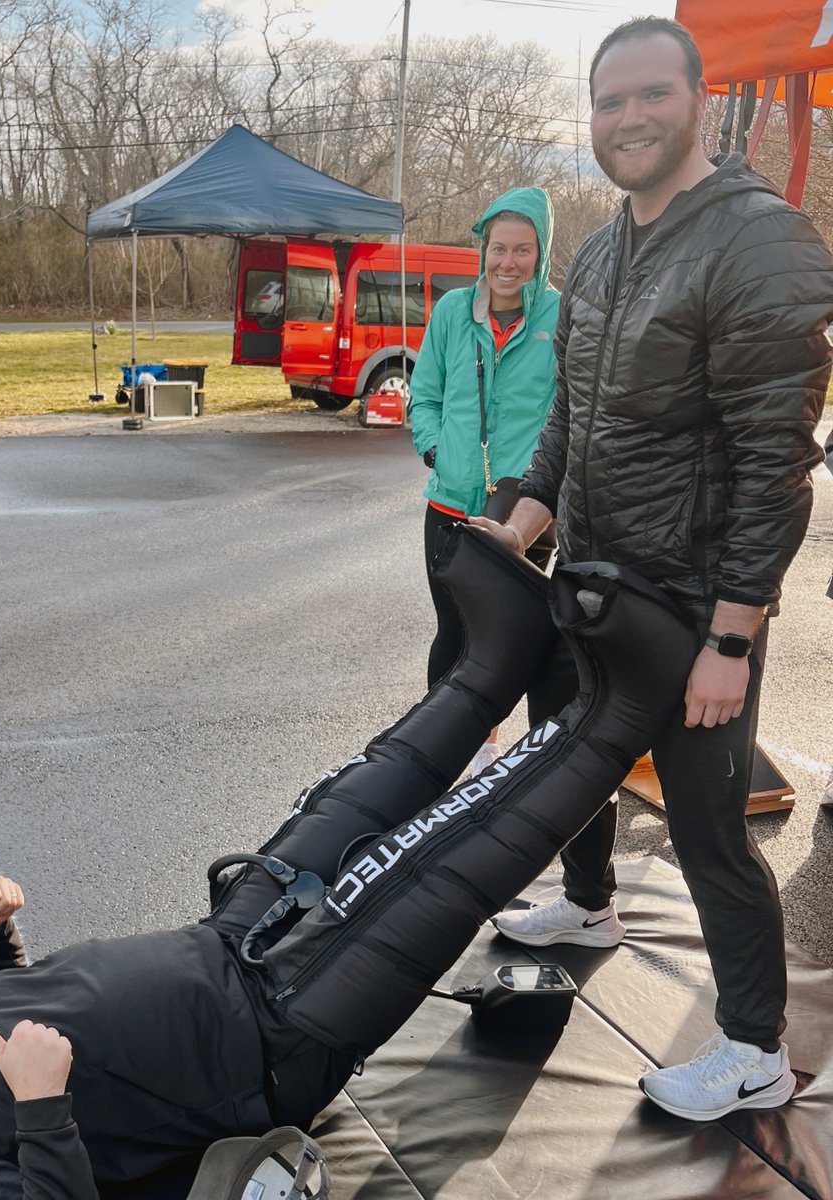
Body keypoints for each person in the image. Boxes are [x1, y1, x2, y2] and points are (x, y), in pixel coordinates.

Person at [0, 528, 706, 1197]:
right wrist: (43, 1105)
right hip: (277, 1030)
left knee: (364, 788)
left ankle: (496, 660)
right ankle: (628, 703)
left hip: (226, 939)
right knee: (446, 855)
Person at [474, 16, 833, 1121]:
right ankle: (589, 905)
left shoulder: (761, 242)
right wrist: (523, 521)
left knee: (710, 828)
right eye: (608, 100)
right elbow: (568, 416)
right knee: (570, 762)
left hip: (688, 607)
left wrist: (732, 636)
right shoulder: (598, 250)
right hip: (590, 582)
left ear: (699, 103)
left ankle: (753, 1049)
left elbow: (776, 463)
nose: (627, 119)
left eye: (650, 95)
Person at [409, 187, 559, 779]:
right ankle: (441, 750)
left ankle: (492, 750)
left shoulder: (560, 315)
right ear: (483, 250)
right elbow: (424, 396)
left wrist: (543, 479)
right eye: (499, 248)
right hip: (450, 502)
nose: (508, 263)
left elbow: (570, 409)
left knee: (504, 637)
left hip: (525, 510)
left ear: (541, 253)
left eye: (523, 250)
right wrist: (435, 449)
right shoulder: (452, 312)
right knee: (453, 632)